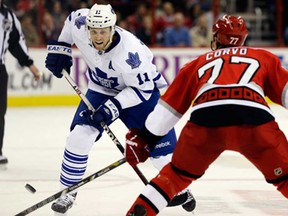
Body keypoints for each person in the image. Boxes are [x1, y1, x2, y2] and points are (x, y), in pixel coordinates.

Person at [125, 15, 288, 215]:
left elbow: (167, 110)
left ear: (217, 38)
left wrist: (146, 138)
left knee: (175, 176)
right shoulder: (263, 57)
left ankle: (140, 210)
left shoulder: (196, 63)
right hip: (254, 120)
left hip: (206, 121)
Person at [44, 3, 196, 214]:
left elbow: (141, 90)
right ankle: (67, 192)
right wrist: (61, 48)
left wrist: (112, 108)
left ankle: (177, 186)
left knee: (161, 155)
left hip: (140, 94)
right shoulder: (81, 22)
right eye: (94, 31)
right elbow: (70, 22)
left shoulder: (131, 54)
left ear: (112, 28)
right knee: (78, 137)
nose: (98, 37)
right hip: (101, 90)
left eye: (103, 32)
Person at [0, 0, 41, 167]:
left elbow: (15, 41)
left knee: (0, 110)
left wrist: (29, 63)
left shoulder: (7, 15)